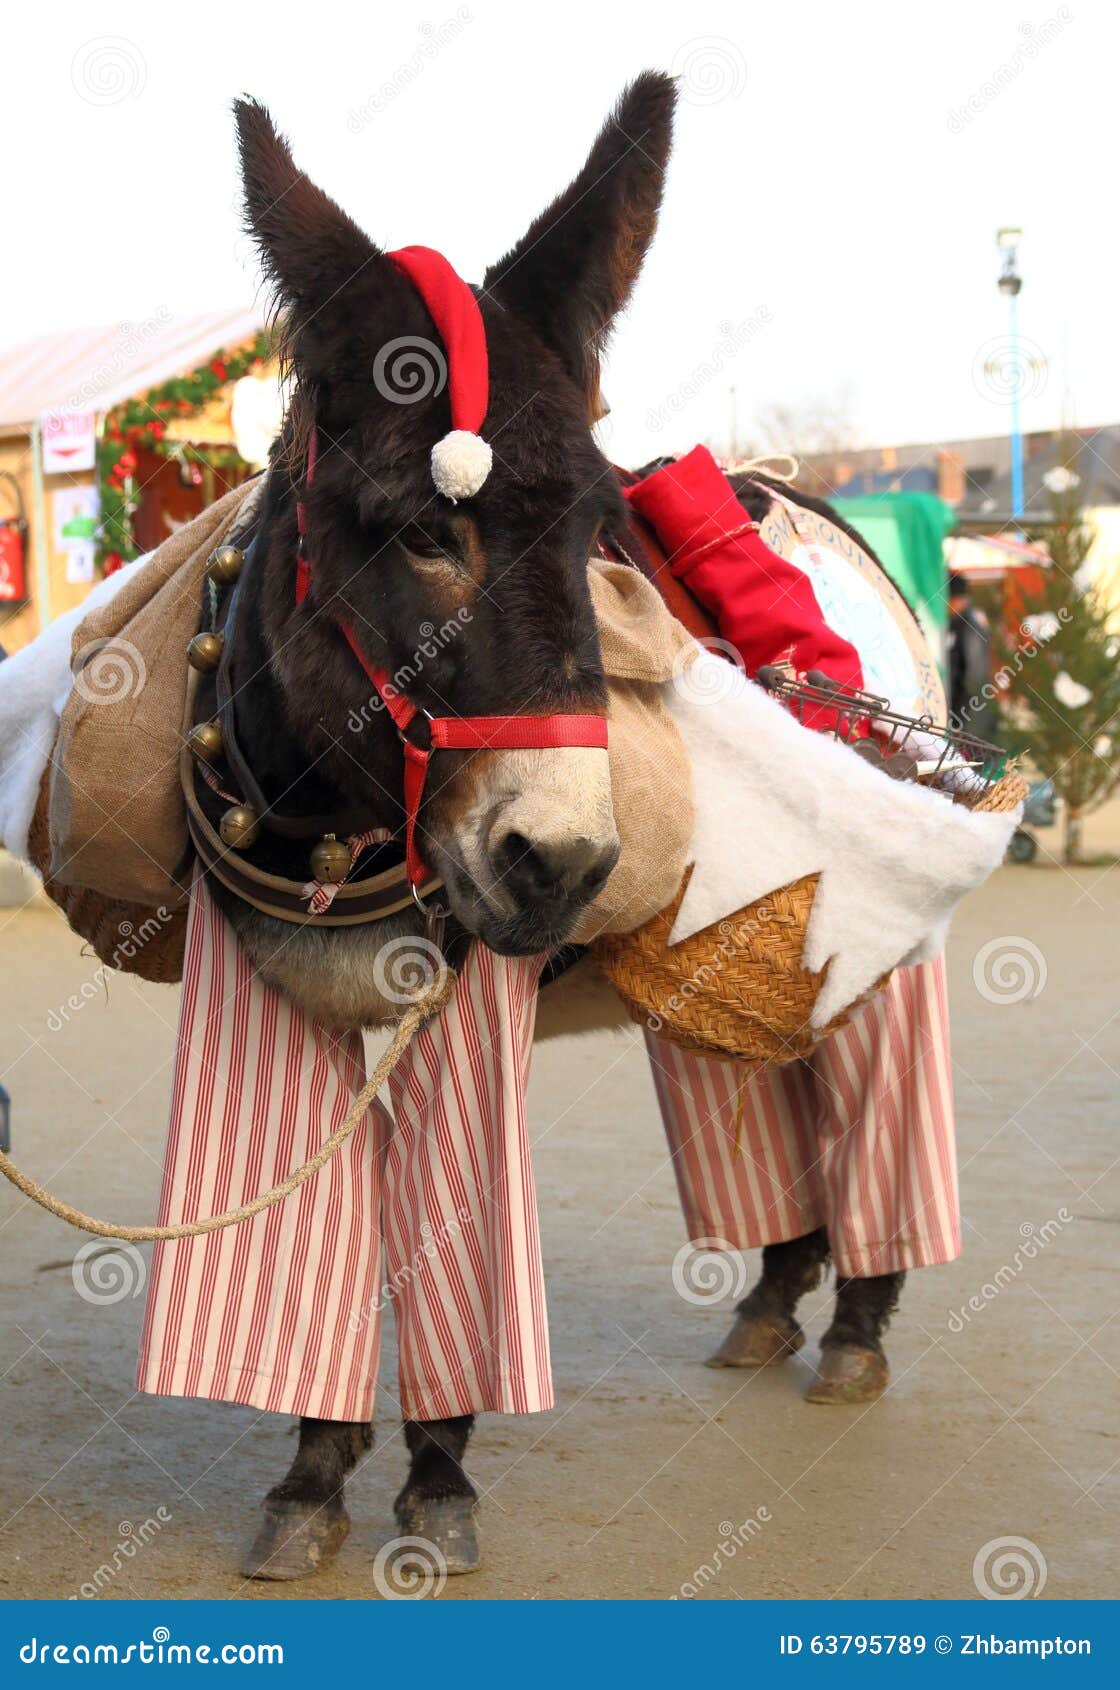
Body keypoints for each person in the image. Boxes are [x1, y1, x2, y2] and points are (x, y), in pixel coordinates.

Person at [947, 571, 995, 737]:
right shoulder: (962, 623)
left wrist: (958, 720)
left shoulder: (969, 628)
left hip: (968, 718)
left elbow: (973, 677)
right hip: (967, 715)